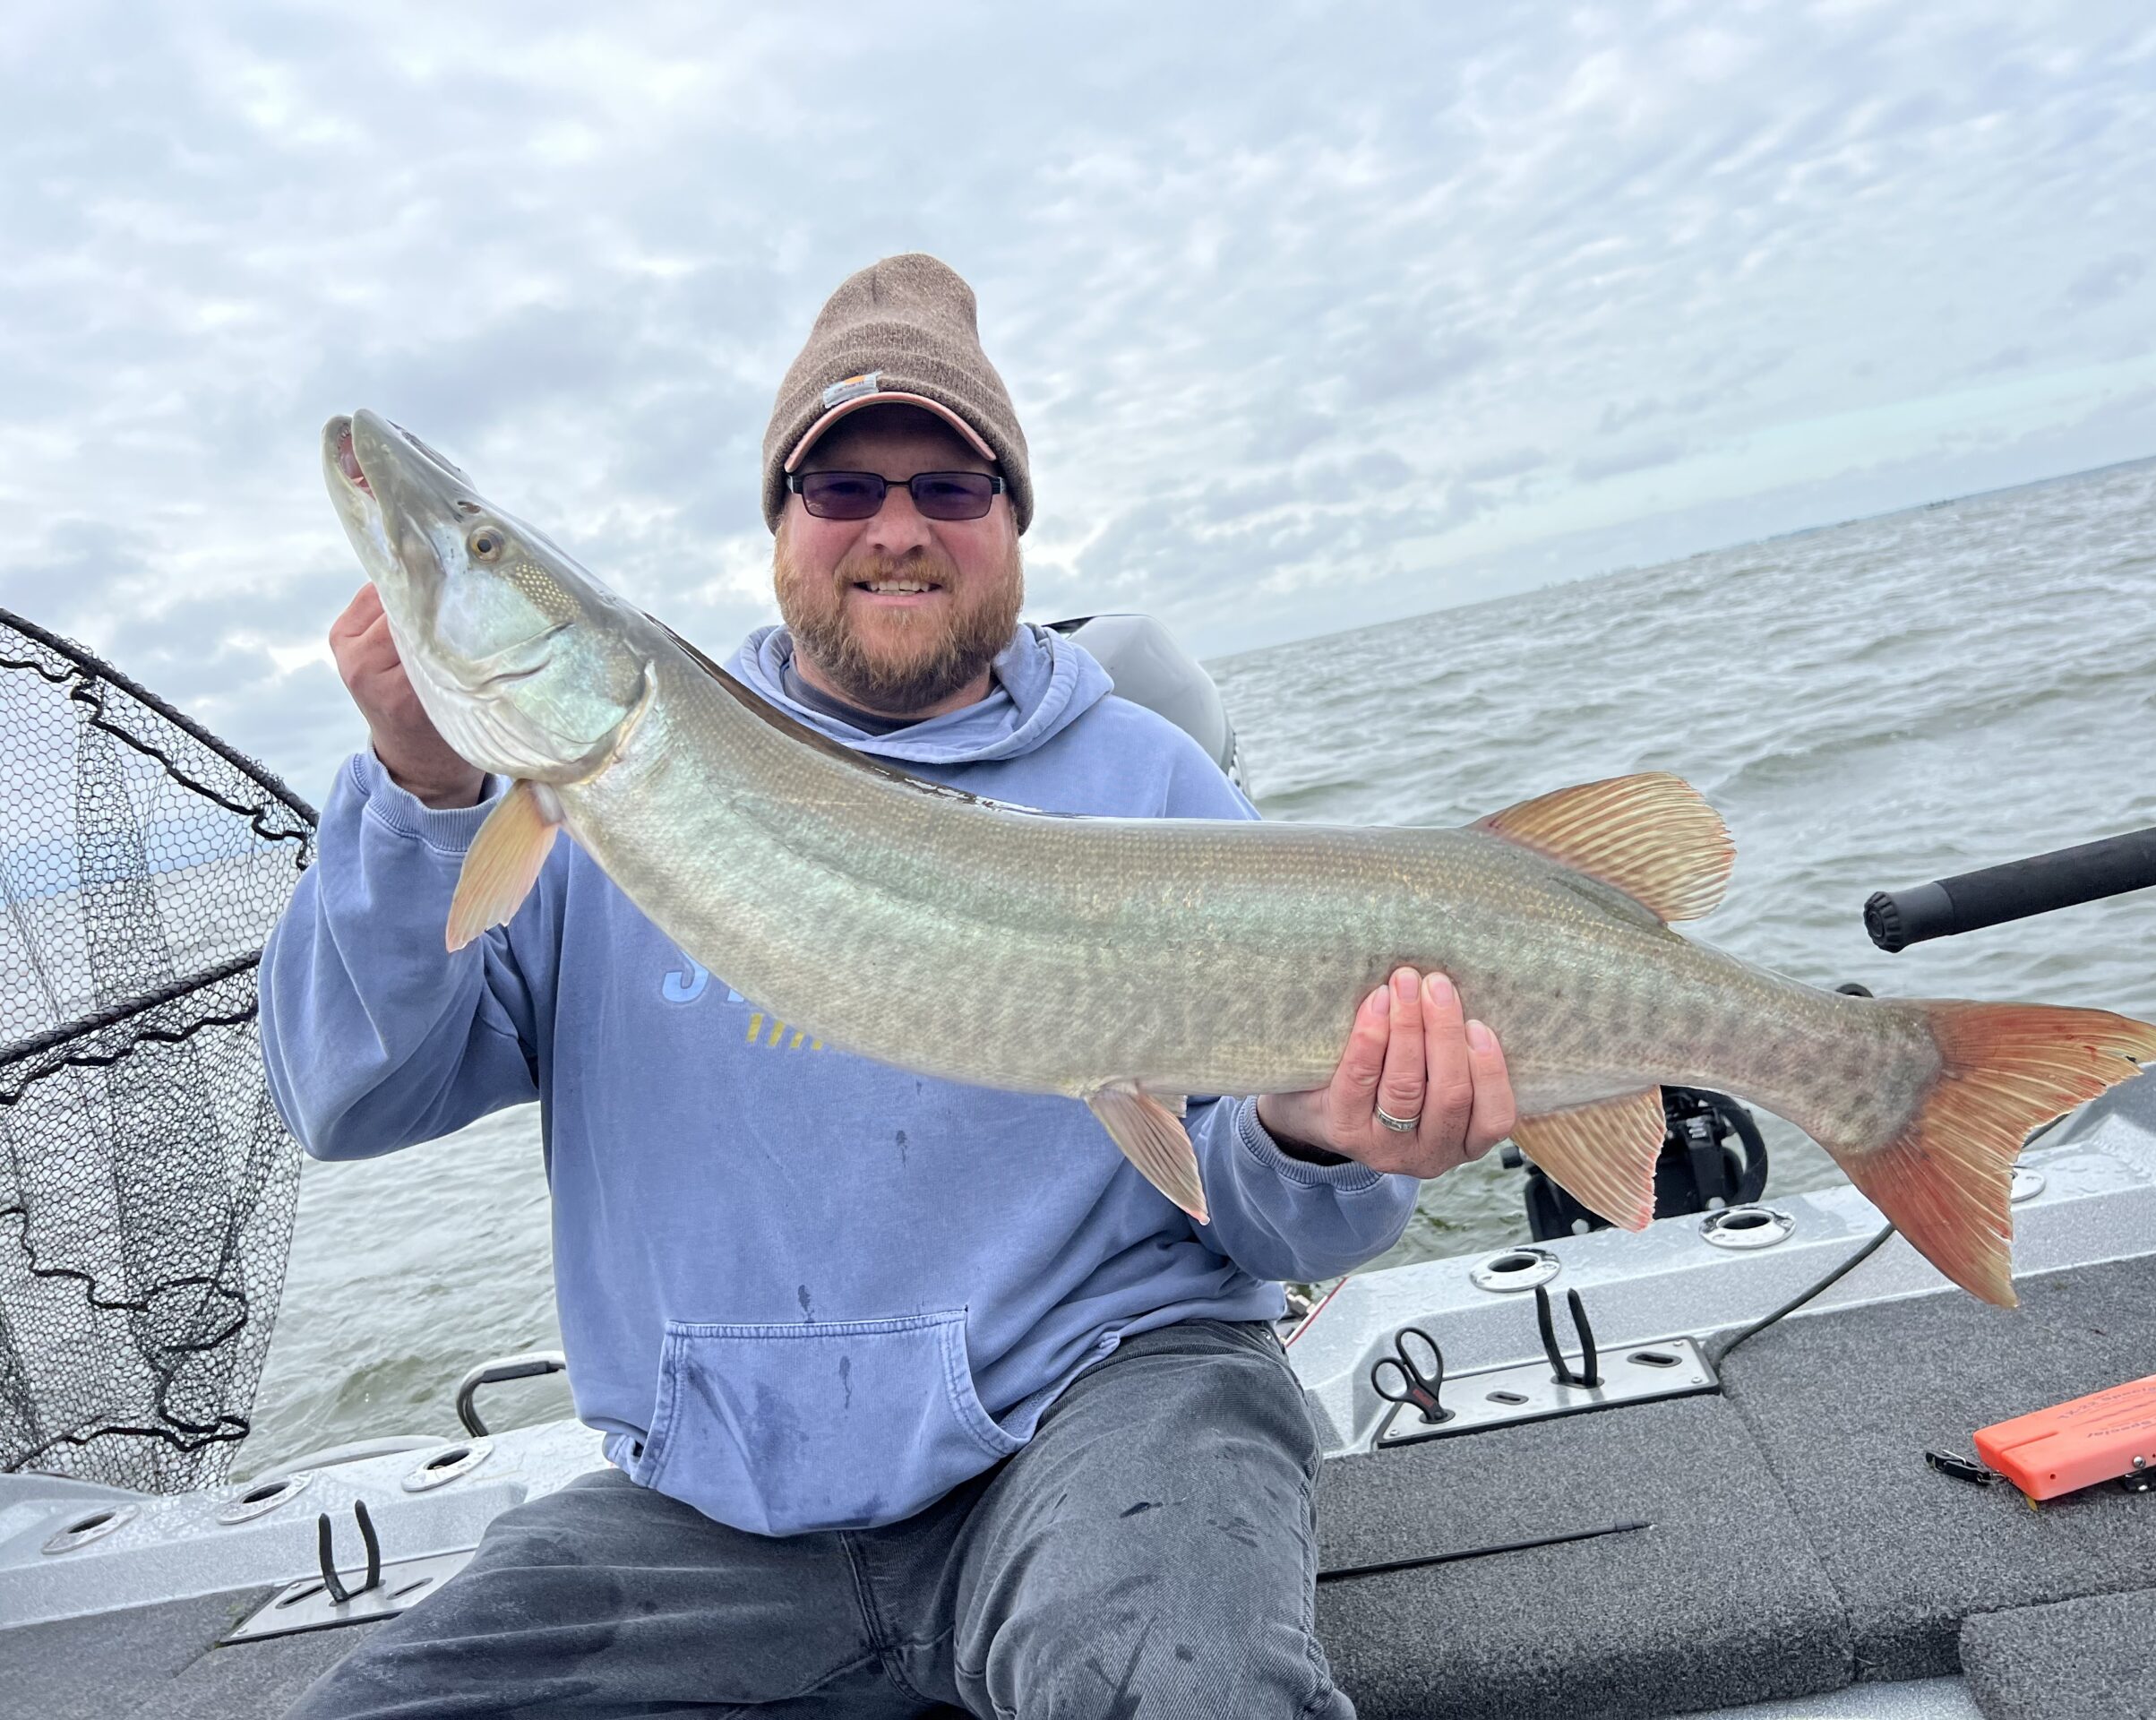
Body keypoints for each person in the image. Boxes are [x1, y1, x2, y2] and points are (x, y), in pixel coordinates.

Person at [262, 253, 1520, 1719]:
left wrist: (1322, 1138)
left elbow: (1252, 1208)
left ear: (1011, 522)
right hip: (708, 1519)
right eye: (842, 488)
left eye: (951, 486)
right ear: (783, 530)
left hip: (1103, 1431)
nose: (897, 528)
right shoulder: (550, 825)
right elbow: (346, 1097)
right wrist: (418, 792)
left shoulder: (1149, 781)